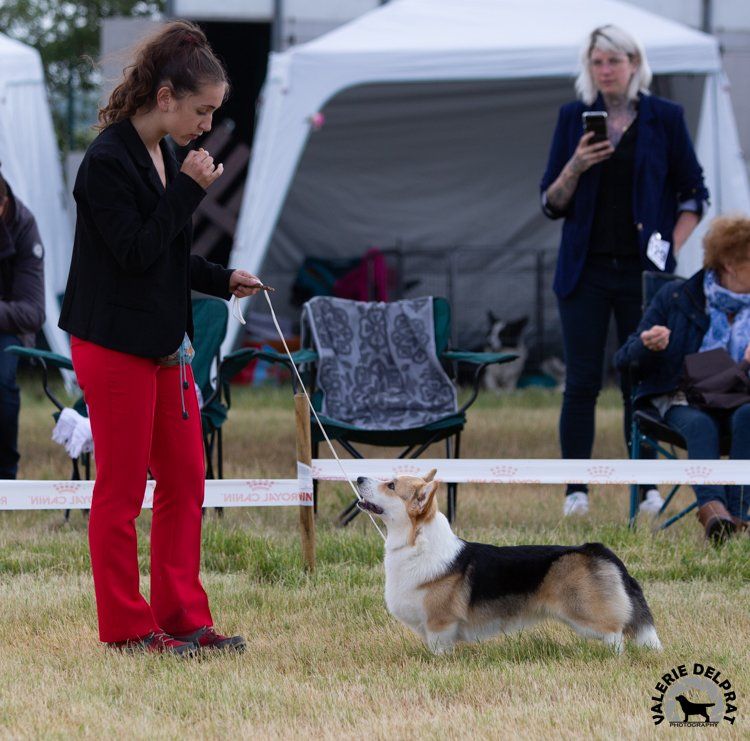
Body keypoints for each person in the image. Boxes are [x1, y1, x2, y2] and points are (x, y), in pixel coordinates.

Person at [59, 21, 262, 655]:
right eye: (202, 110)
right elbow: (135, 252)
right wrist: (187, 191)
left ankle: (182, 618)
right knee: (119, 492)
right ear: (167, 95)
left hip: (162, 343)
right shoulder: (106, 162)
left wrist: (221, 277)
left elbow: (169, 257)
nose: (206, 124)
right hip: (112, 343)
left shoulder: (164, 155)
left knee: (185, 479)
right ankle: (126, 629)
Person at [539, 25, 708, 517]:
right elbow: (551, 202)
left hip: (642, 275)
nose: (606, 70)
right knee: (582, 382)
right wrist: (575, 165)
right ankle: (577, 490)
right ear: (588, 68)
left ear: (635, 63)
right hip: (584, 271)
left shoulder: (665, 118)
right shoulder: (573, 118)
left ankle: (647, 487)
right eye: (597, 62)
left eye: (614, 60)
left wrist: (668, 251)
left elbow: (694, 194)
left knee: (642, 378)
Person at [615, 215, 750, 542]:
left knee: (748, 416)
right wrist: (649, 345)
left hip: (741, 398)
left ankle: (739, 514)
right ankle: (714, 512)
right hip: (682, 398)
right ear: (730, 264)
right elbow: (624, 359)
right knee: (700, 424)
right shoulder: (677, 297)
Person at [0, 171, 46, 479]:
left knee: (1, 382)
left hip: (6, 329)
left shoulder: (24, 225)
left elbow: (33, 312)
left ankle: (5, 475)